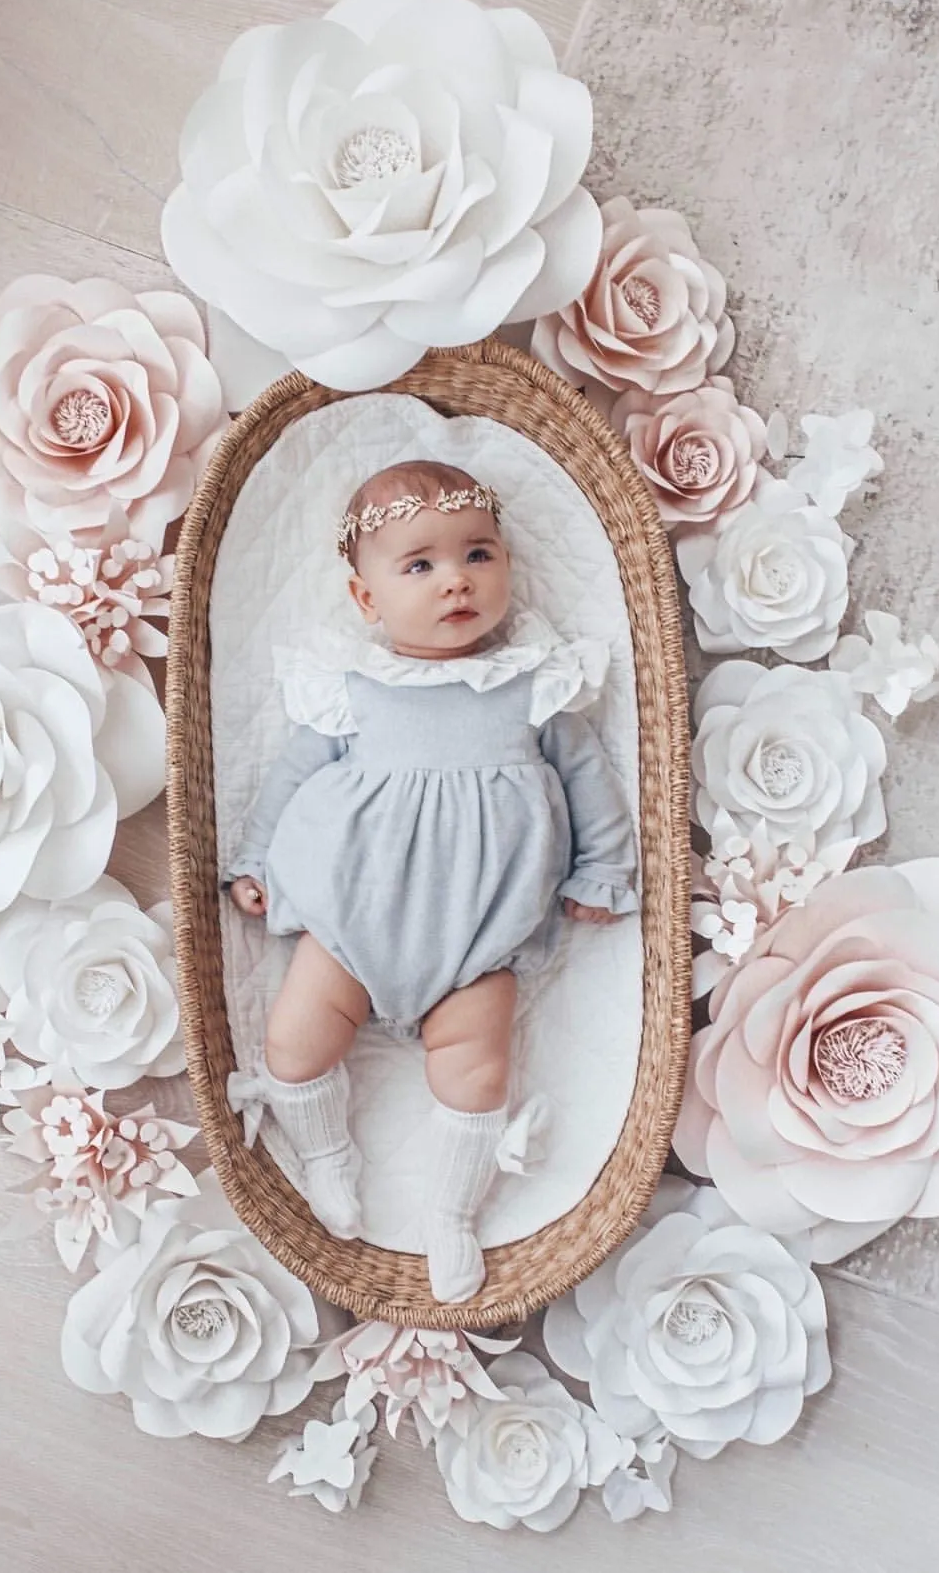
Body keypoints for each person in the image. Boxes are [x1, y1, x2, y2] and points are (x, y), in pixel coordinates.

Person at [226, 460, 638, 1301]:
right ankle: (325, 1152)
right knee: (294, 1045)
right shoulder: (353, 687)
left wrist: (603, 866)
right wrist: (256, 859)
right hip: (351, 918)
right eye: (420, 565)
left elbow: (589, 778)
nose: (456, 580)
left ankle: (450, 1213)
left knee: (477, 1069)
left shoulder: (531, 685)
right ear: (367, 600)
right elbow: (292, 776)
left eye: (478, 554)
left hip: (478, 934)